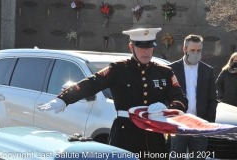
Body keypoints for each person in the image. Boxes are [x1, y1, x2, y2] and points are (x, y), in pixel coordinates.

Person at [37, 28, 188, 160]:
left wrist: (167, 108)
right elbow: (91, 84)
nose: (146, 51)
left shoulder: (164, 72)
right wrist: (63, 99)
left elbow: (181, 99)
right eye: (141, 47)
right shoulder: (118, 69)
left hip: (155, 137)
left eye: (149, 47)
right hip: (126, 135)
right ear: (131, 47)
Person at [168, 34, 217, 160]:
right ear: (184, 50)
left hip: (199, 125)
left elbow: (212, 100)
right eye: (192, 50)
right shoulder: (171, 69)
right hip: (178, 125)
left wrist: (208, 124)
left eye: (199, 51)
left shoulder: (208, 71)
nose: (196, 53)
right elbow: (166, 97)